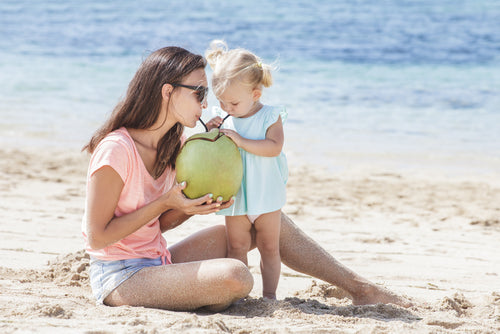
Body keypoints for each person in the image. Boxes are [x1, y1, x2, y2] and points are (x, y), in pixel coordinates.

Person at [82, 45, 410, 312]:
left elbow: (159, 225)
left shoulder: (176, 145)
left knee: (263, 222)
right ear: (168, 91)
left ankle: (360, 288)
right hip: (121, 276)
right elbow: (97, 238)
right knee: (236, 275)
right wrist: (165, 202)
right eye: (198, 92)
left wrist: (189, 207)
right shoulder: (117, 150)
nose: (206, 102)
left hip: (159, 259)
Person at [203, 40, 287, 300]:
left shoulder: (270, 116)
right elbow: (212, 151)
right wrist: (211, 130)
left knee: (269, 248)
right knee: (237, 246)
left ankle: (269, 295)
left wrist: (241, 141)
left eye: (233, 103)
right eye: (221, 102)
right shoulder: (225, 116)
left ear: (255, 94)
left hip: (266, 195)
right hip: (237, 194)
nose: (227, 109)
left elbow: (274, 147)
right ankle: (239, 296)